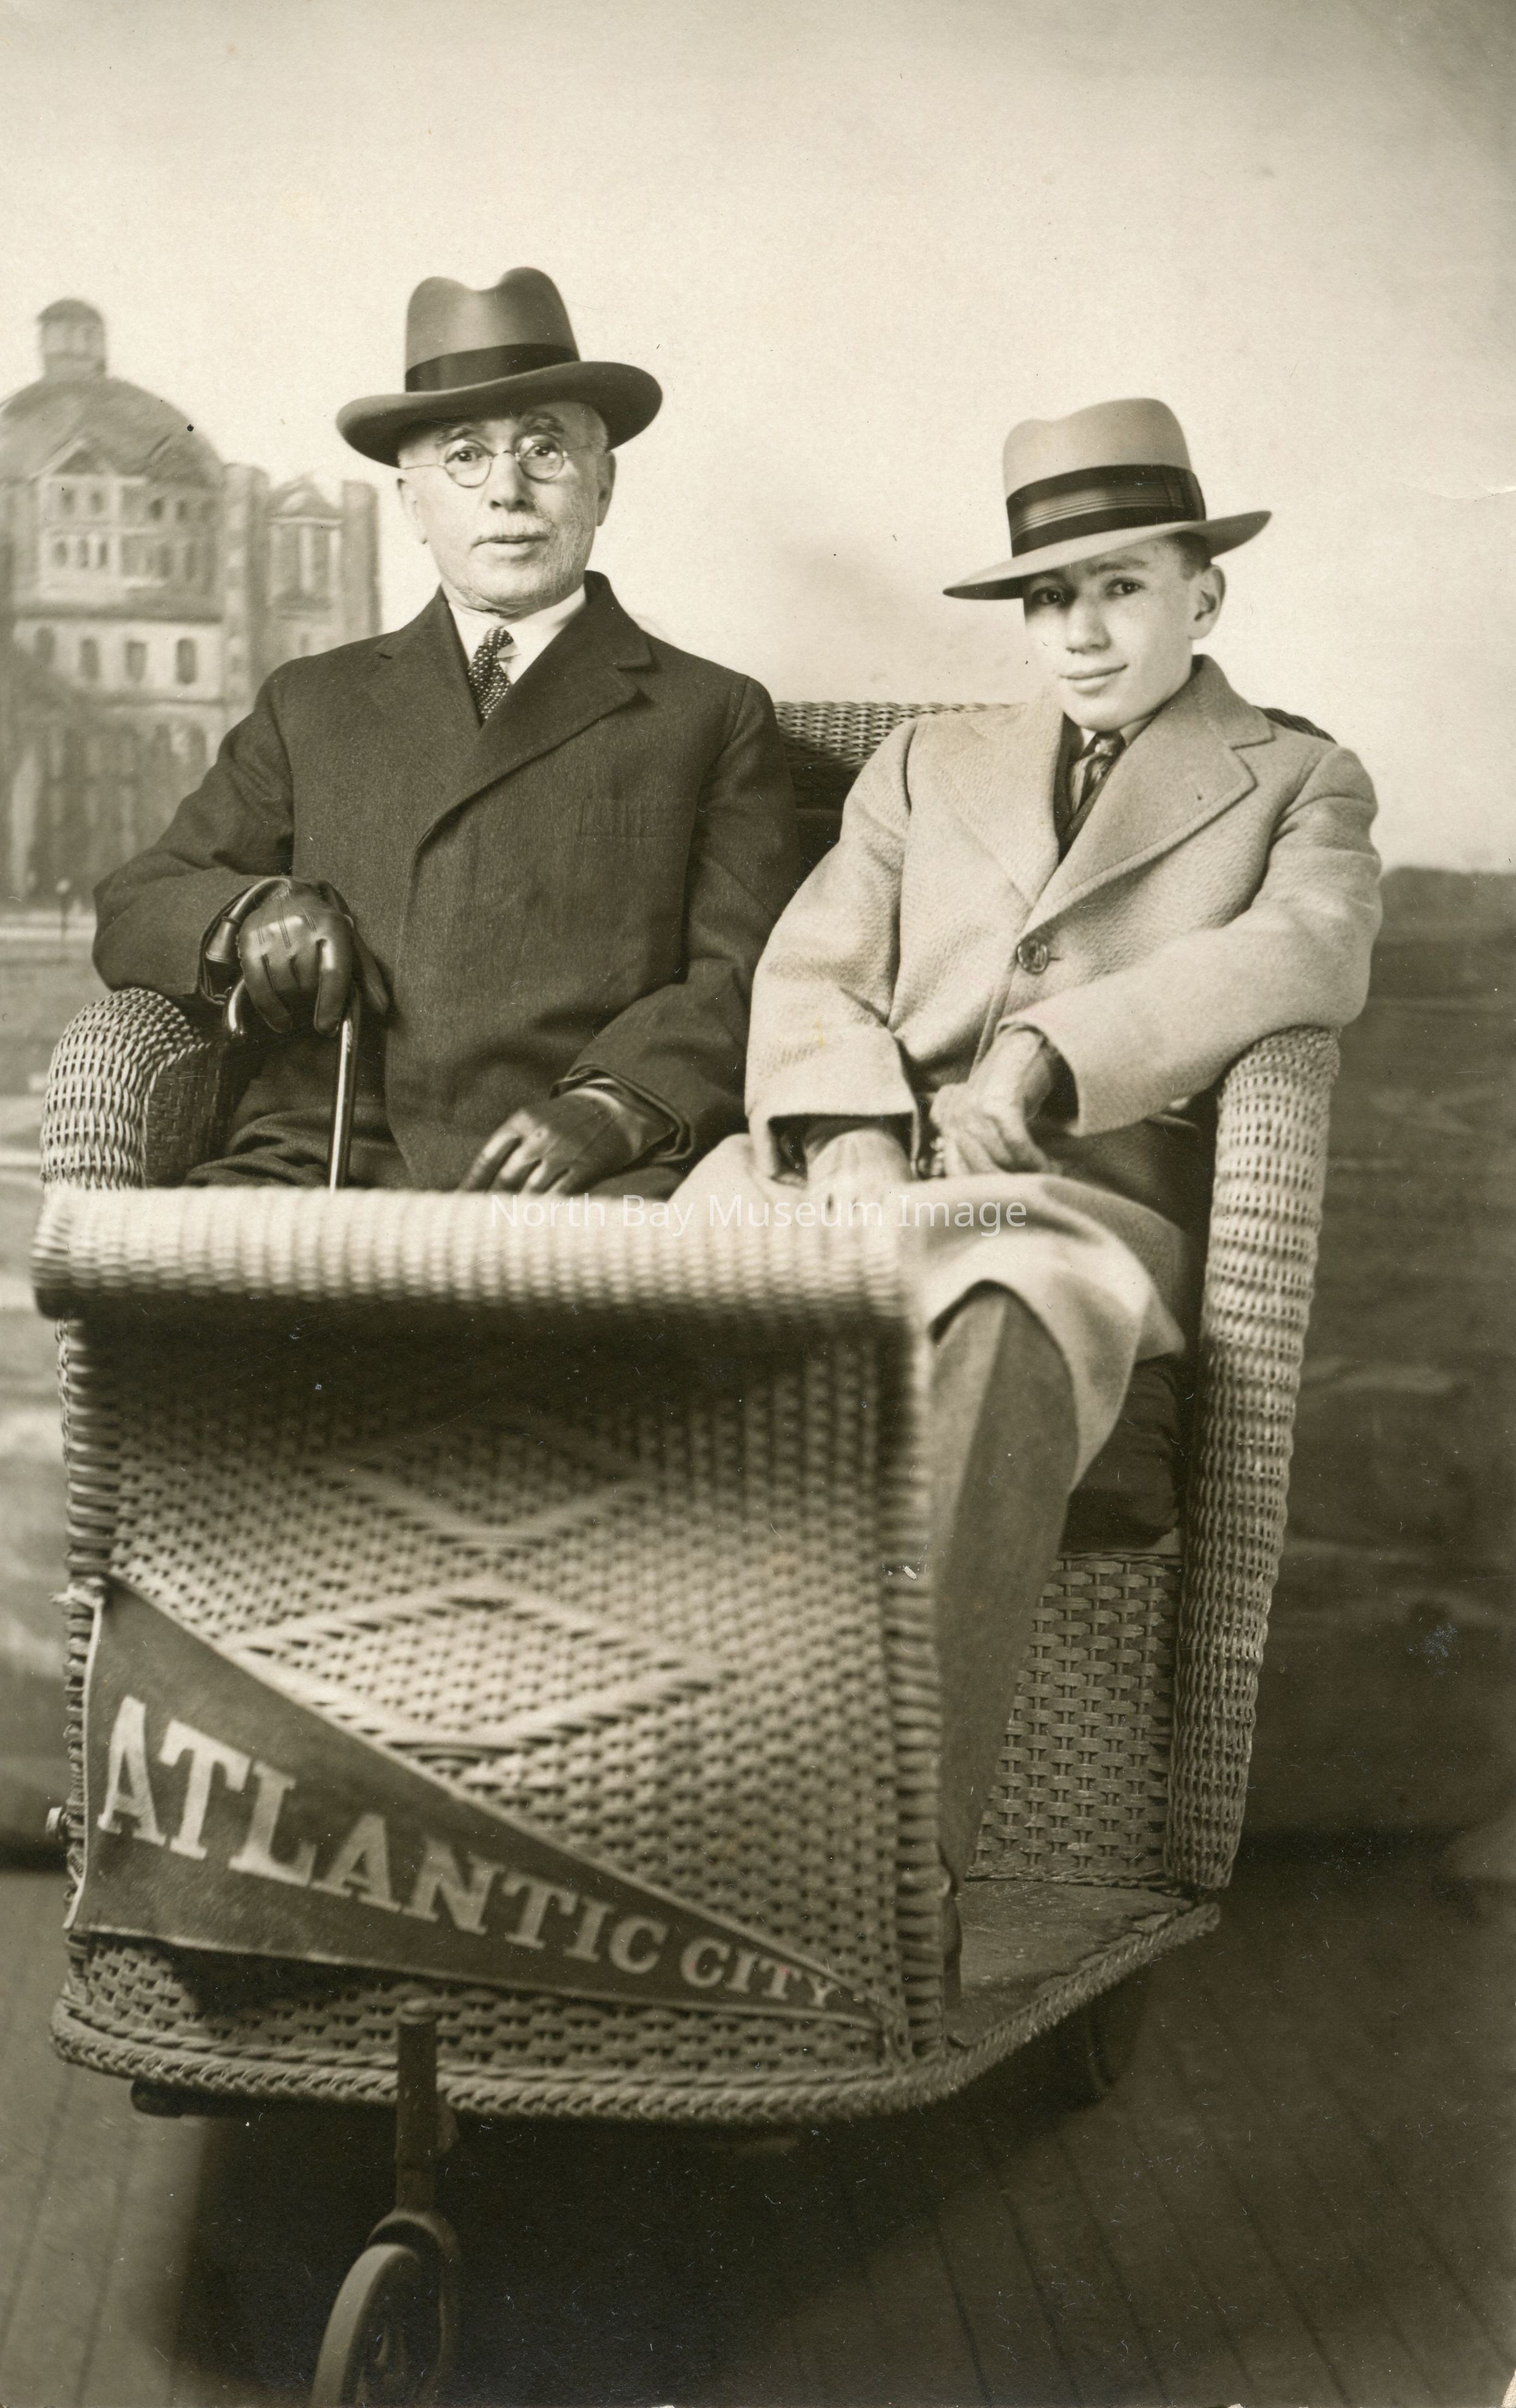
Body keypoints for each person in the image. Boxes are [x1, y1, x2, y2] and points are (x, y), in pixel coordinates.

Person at [677, 398, 1381, 1979]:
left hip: (1077, 1201)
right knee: (664, 1270)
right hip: (861, 1178)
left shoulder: (1302, 779)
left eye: (1122, 586)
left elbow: (1303, 953)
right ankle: (622, 1815)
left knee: (999, 1319)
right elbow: (813, 969)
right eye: (1051, 596)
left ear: (1205, 595)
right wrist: (850, 1127)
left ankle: (878, 1882)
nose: (1082, 630)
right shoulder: (928, 763)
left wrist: (1046, 1057)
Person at [93, 269, 796, 1195]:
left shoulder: (712, 713)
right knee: (160, 1282)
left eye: (544, 449)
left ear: (603, 484)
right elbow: (139, 902)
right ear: (411, 504)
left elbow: (746, 971)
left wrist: (617, 1105)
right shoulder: (311, 702)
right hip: (318, 1160)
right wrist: (252, 912)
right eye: (464, 456)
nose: (507, 491)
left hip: (575, 1172)